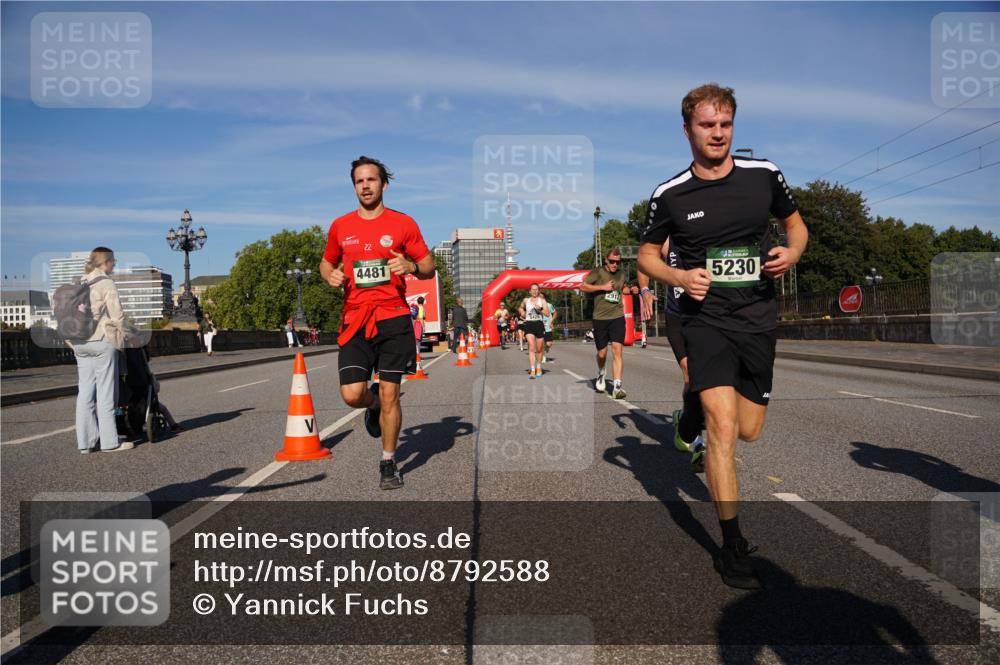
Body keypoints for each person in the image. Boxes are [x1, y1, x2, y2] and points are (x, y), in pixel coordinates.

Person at [638, 83, 807, 589]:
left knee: (750, 429)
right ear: (687, 130)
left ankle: (689, 406)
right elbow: (646, 256)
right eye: (707, 125)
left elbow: (796, 227)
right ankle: (732, 545)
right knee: (724, 428)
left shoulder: (765, 175)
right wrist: (679, 276)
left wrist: (792, 253)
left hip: (757, 318)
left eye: (725, 124)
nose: (717, 133)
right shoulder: (670, 194)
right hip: (704, 320)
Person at [320, 155, 435, 490]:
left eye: (371, 179)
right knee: (352, 394)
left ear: (384, 184)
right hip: (355, 319)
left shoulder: (403, 223)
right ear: (354, 187)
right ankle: (370, 406)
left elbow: (428, 267)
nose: (365, 186)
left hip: (393, 319)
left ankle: (388, 461)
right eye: (359, 181)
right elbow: (326, 263)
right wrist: (331, 275)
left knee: (390, 394)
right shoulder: (341, 226)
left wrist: (411, 267)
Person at [639, 240, 706, 471]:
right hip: (677, 318)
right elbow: (644, 260)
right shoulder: (670, 240)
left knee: (705, 379)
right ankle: (698, 444)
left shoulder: (709, 233)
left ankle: (684, 419)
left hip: (704, 316)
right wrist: (645, 290)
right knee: (690, 375)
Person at [70, 247, 132, 453]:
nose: (115, 264)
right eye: (113, 261)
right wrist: (128, 337)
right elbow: (118, 316)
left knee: (85, 394)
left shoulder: (79, 282)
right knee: (106, 393)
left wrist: (73, 343)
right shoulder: (106, 283)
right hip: (101, 340)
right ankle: (109, 442)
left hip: (79, 343)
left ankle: (85, 443)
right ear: (105, 262)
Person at [581, 248, 628, 399]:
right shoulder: (598, 272)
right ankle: (601, 371)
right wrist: (602, 287)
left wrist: (631, 289)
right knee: (602, 353)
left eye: (618, 262)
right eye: (612, 261)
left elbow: (623, 288)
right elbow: (583, 286)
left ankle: (617, 387)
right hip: (600, 318)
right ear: (606, 260)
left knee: (617, 350)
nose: (615, 264)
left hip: (617, 316)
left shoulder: (621, 274)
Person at [518, 284, 547, 379]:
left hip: (539, 324)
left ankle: (538, 367)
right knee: (531, 347)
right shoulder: (526, 300)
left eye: (536, 289)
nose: (534, 291)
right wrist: (522, 312)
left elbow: (547, 313)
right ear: (530, 291)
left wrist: (540, 309)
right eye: (533, 289)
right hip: (529, 324)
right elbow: (520, 307)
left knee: (539, 349)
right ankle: (533, 370)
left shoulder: (542, 301)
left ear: (539, 291)